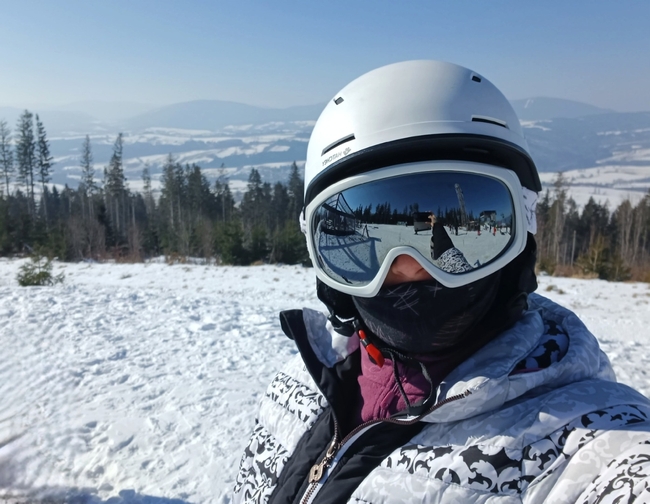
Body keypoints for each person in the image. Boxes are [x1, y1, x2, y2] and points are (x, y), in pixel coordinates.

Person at [232, 60, 650, 503]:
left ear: (521, 236)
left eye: (439, 253)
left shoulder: (579, 442)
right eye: (372, 252)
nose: (409, 269)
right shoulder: (297, 387)